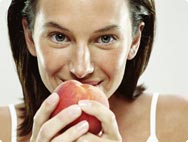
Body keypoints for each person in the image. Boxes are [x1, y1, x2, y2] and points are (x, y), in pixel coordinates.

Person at [0, 0, 188, 141]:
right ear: (30, 36)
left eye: (105, 38)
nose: (81, 69)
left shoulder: (180, 123)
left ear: (134, 41)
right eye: (59, 37)